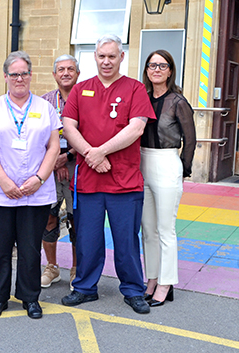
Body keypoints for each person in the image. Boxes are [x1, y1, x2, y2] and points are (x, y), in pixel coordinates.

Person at [61, 34, 155, 314]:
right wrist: (92, 155)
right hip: (88, 181)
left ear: (121, 57)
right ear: (95, 57)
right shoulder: (80, 90)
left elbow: (136, 128)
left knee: (126, 241)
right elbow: (68, 126)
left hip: (124, 182)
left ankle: (133, 290)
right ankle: (85, 288)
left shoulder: (135, 89)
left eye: (112, 56)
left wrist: (98, 152)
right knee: (88, 239)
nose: (106, 61)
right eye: (101, 56)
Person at [0, 51, 60, 320]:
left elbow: (53, 147)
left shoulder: (45, 108)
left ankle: (30, 297)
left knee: (29, 248)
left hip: (35, 192)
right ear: (6, 77)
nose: (19, 78)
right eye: (14, 74)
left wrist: (39, 179)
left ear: (31, 76)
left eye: (24, 73)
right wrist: (5, 182)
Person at [140, 50, 196, 306]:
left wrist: (181, 169)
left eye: (162, 65)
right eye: (152, 65)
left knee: (165, 229)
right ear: (147, 70)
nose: (157, 70)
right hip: (143, 162)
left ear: (170, 71)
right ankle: (152, 278)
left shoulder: (178, 101)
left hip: (166, 163)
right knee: (148, 230)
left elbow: (191, 140)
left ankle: (166, 282)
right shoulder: (142, 97)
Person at [40, 54, 79, 290]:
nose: (66, 73)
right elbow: (38, 136)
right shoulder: (44, 102)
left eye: (70, 69)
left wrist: (68, 158)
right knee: (49, 217)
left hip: (78, 166)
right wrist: (55, 160)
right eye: (61, 69)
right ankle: (52, 267)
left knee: (78, 219)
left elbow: (92, 134)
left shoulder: (86, 99)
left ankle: (76, 269)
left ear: (77, 73)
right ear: (54, 74)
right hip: (50, 166)